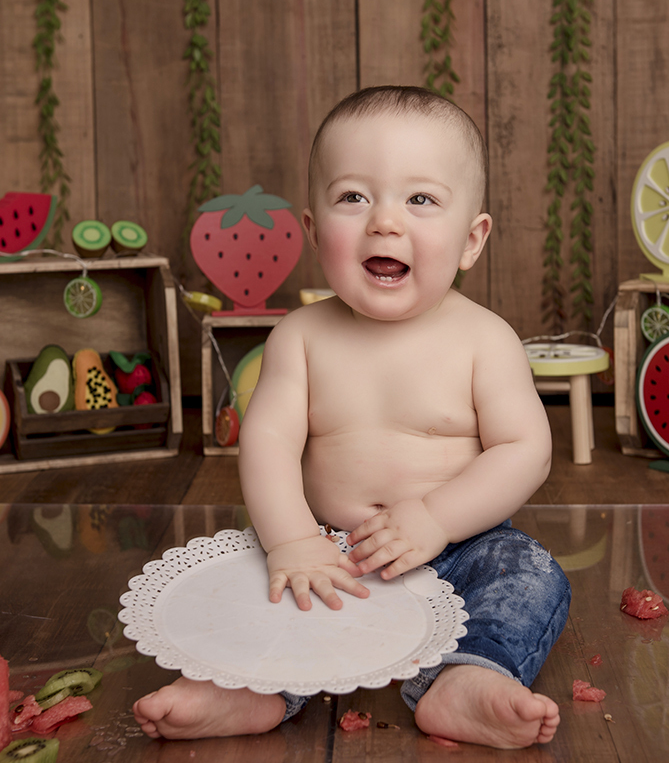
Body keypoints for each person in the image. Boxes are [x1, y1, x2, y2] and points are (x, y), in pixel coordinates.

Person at [134, 85, 571, 749]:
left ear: (471, 239)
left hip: (460, 549)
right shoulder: (301, 337)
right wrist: (291, 542)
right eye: (353, 197)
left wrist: (435, 518)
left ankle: (470, 676)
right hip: (328, 550)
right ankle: (244, 685)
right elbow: (270, 444)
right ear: (314, 230)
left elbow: (524, 451)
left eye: (420, 199)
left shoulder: (486, 341)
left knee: (529, 572)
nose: (384, 222)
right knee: (256, 577)